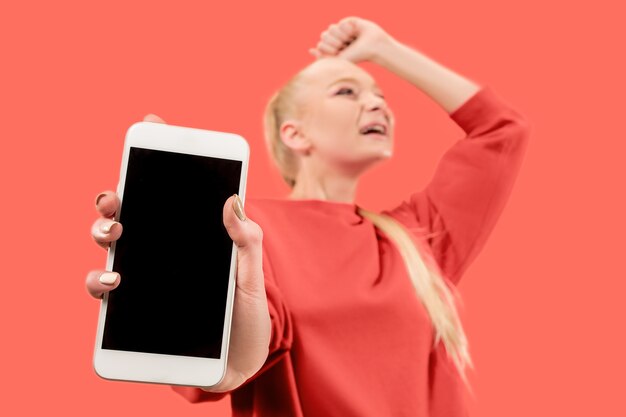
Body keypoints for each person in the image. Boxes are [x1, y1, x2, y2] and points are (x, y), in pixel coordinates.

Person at [86, 16, 530, 417]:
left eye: (380, 96)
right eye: (346, 92)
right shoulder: (247, 227)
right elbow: (234, 365)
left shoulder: (415, 238)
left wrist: (384, 49)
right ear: (294, 134)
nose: (378, 105)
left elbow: (502, 129)